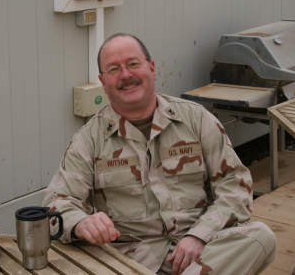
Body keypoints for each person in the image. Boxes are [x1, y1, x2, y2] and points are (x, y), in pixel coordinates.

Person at [43, 33, 276, 275]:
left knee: (261, 238)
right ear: (103, 82)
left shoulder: (195, 119)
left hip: (200, 251)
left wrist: (200, 234)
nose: (125, 75)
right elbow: (56, 205)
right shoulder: (89, 139)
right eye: (114, 69)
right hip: (131, 261)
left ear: (152, 69)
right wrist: (80, 223)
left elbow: (236, 186)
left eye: (133, 64)